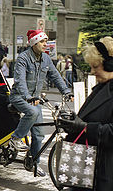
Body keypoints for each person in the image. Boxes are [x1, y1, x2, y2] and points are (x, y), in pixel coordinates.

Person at [61, 36, 113, 191]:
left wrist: (84, 128)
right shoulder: (102, 87)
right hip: (94, 173)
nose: (92, 72)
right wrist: (73, 123)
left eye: (95, 66)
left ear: (110, 64)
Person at [9, 29, 73, 177]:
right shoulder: (23, 58)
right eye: (42, 41)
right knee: (33, 111)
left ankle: (33, 163)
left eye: (46, 41)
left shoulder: (46, 58)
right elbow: (20, 80)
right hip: (19, 96)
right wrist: (26, 96)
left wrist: (66, 91)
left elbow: (56, 76)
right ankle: (16, 138)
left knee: (38, 135)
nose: (46, 44)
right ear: (34, 43)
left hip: (35, 98)